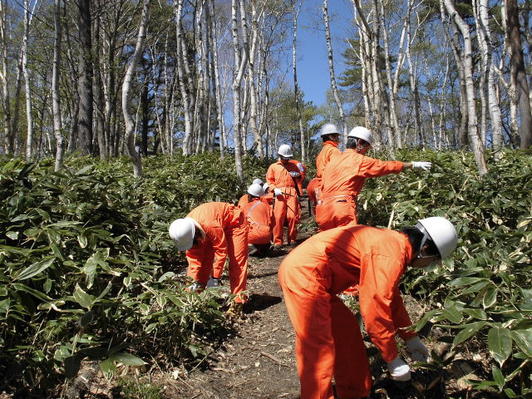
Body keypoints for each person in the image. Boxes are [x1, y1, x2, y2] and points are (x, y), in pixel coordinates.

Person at [278, 217, 458, 399]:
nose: (429, 265)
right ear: (425, 249)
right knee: (319, 349)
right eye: (433, 260)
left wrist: (410, 338)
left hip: (317, 278)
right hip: (304, 275)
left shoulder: (395, 246)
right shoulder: (390, 254)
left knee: (347, 335)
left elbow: (392, 299)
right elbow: (375, 310)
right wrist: (392, 358)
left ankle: (356, 393)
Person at [315, 126, 433, 231]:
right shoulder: (359, 160)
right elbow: (385, 166)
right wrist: (412, 164)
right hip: (340, 209)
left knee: (327, 247)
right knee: (346, 249)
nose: (366, 152)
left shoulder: (334, 159)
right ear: (360, 143)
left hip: (322, 209)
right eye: (367, 148)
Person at [168, 202, 249, 304]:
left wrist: (215, 277)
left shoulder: (209, 225)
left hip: (235, 223)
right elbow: (194, 260)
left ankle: (238, 301)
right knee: (204, 260)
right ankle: (195, 298)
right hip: (212, 226)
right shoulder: (185, 229)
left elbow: (221, 250)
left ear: (195, 234)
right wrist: (191, 284)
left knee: (236, 262)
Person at [266, 144, 306, 248]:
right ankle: (278, 241)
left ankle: (292, 238)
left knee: (292, 216)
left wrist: (298, 176)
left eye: (288, 158)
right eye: (285, 157)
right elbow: (269, 181)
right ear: (280, 155)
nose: (287, 159)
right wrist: (274, 189)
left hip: (292, 192)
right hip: (279, 193)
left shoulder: (293, 166)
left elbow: (300, 179)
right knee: (278, 217)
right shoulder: (273, 167)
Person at [307, 123, 342, 215]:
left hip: (319, 186)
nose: (338, 138)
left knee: (321, 214)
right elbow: (338, 171)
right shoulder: (334, 151)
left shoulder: (322, 152)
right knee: (332, 216)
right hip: (329, 187)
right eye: (337, 136)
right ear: (331, 137)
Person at [241, 183, 274, 255]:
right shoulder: (267, 206)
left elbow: (242, 224)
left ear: (250, 196)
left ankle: (250, 246)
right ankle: (264, 246)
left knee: (240, 232)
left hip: (254, 236)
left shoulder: (246, 207)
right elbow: (273, 223)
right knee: (261, 232)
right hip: (267, 236)